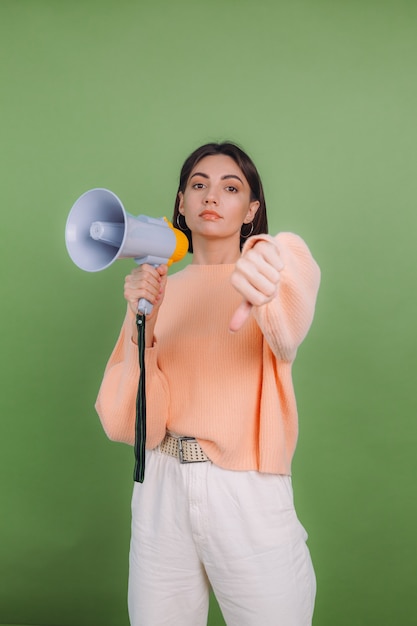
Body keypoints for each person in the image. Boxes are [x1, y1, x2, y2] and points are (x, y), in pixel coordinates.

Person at [95, 141, 321, 626]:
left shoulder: (272, 274)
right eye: (198, 185)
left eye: (230, 187)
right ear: (181, 203)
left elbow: (287, 326)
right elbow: (127, 423)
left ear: (251, 210)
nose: (211, 197)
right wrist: (145, 323)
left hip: (246, 490)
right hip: (161, 487)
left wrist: (266, 258)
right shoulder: (160, 290)